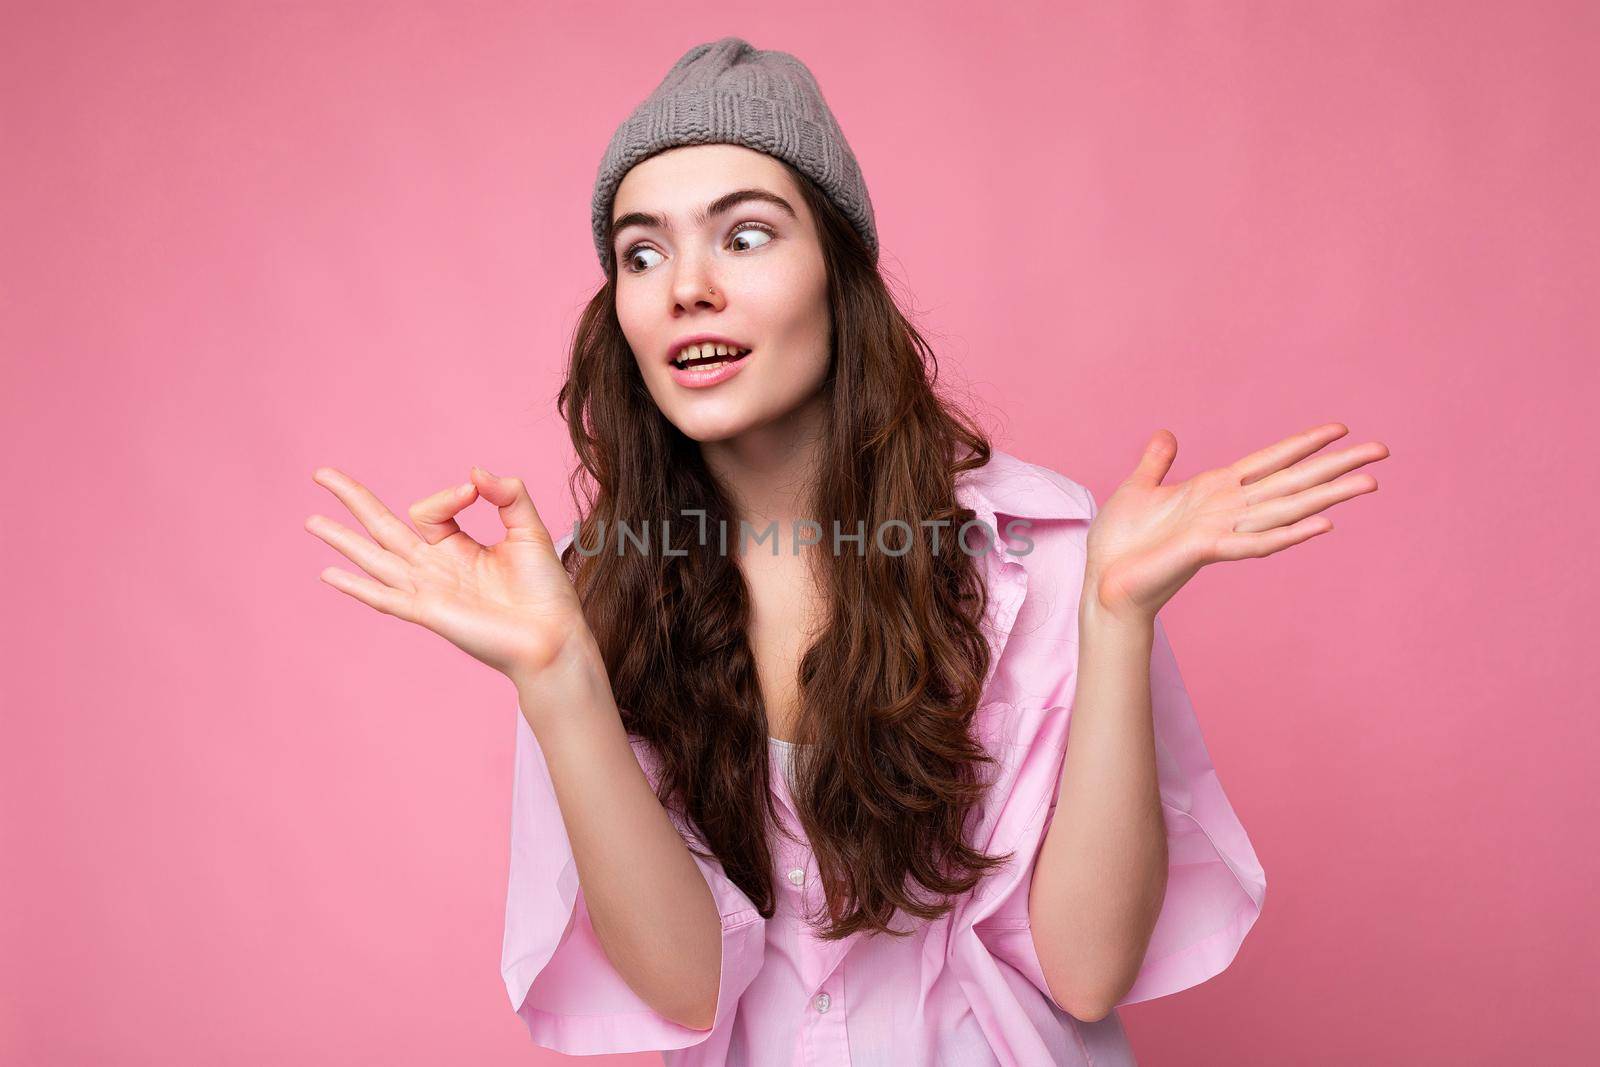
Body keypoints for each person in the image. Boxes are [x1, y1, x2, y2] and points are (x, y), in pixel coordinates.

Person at [305, 36, 1388, 1066]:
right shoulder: (580, 592)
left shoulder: (1040, 546)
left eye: (744, 234)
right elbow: (685, 988)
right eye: (644, 251)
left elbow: (1087, 969)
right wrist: (556, 677)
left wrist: (1114, 618)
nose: (688, 285)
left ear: (840, 273)